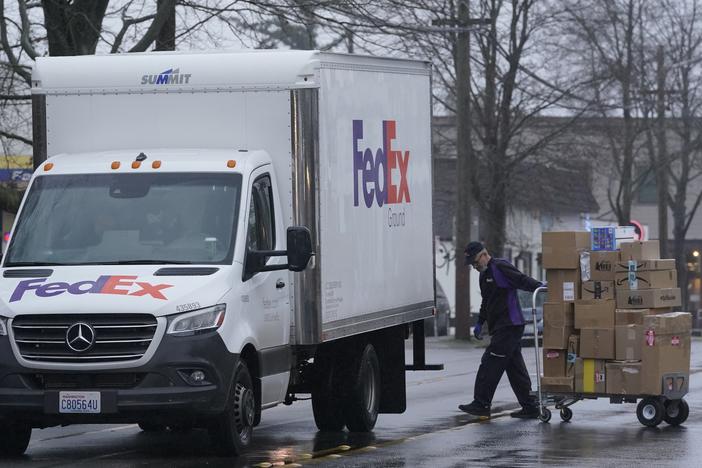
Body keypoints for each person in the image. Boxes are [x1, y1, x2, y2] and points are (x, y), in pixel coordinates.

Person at [458, 241, 543, 419]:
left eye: (475, 262)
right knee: (514, 367)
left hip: (510, 325)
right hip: (500, 327)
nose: (474, 267)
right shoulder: (484, 276)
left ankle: (481, 403)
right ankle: (530, 406)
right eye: (472, 265)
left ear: (483, 255)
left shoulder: (500, 267)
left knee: (490, 363)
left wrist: (541, 288)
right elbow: (486, 302)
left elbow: (521, 280)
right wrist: (480, 322)